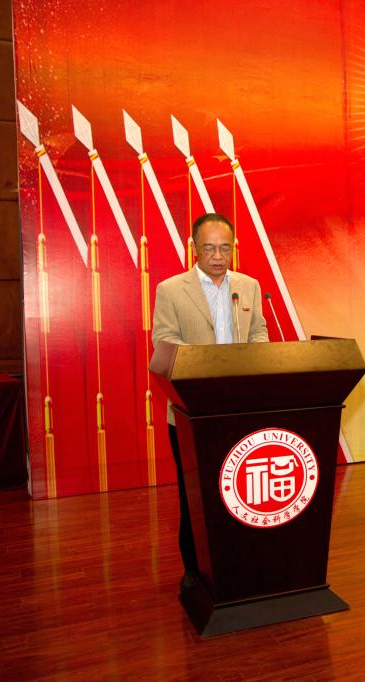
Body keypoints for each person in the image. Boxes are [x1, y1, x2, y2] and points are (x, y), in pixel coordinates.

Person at [151, 212, 269, 591]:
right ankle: (194, 571)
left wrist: (256, 359)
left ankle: (240, 563)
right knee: (195, 495)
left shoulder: (248, 286)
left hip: (240, 408)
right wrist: (209, 367)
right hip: (192, 411)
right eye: (209, 249)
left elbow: (259, 332)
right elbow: (165, 343)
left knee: (239, 491)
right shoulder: (171, 290)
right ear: (193, 248)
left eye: (225, 248)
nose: (218, 257)